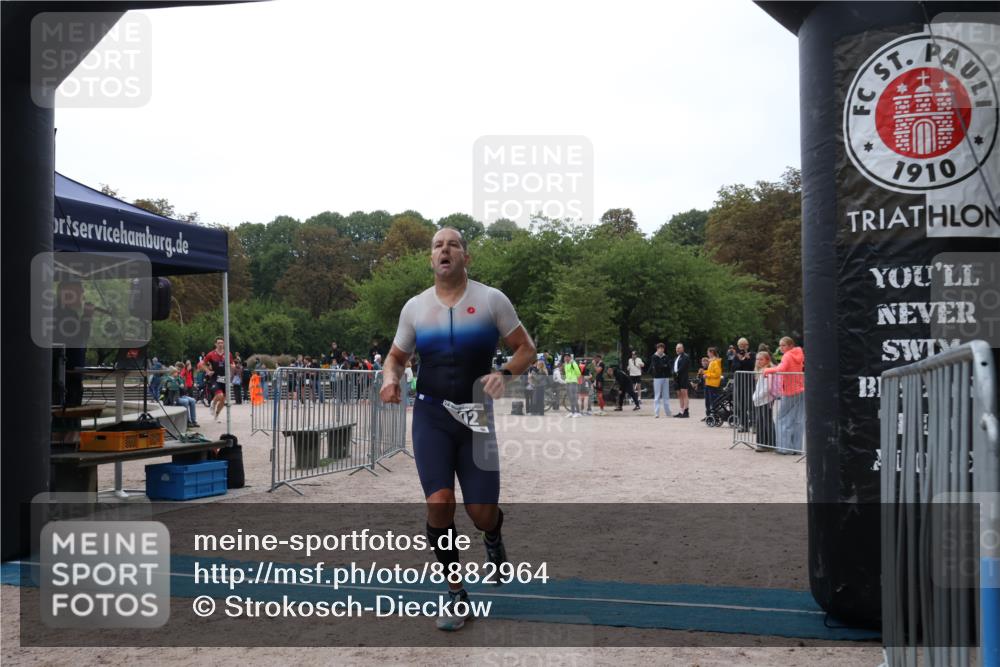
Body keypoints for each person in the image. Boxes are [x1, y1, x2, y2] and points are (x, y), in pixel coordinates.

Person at [379, 227, 535, 631]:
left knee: (481, 513)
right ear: (431, 259)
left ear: (466, 257)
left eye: (452, 245)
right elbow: (395, 357)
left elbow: (526, 349)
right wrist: (389, 378)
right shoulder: (415, 307)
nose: (444, 250)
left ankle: (493, 537)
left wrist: (504, 372)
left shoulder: (490, 300)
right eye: (437, 245)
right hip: (431, 416)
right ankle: (454, 593)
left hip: (475, 417)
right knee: (440, 502)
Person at [763, 336, 805, 455]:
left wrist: (767, 371)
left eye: (783, 345)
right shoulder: (799, 354)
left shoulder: (787, 355)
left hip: (790, 391)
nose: (781, 347)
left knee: (781, 419)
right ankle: (796, 448)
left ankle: (784, 448)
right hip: (800, 389)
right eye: (780, 345)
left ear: (790, 346)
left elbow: (781, 368)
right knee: (797, 420)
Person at [200, 337, 235, 423]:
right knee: (219, 395)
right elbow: (202, 364)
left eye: (222, 343)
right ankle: (213, 403)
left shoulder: (228, 354)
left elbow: (232, 364)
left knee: (223, 400)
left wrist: (232, 368)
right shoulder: (211, 354)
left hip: (225, 378)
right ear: (215, 344)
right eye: (219, 343)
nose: (220, 344)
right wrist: (208, 371)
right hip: (215, 377)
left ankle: (217, 414)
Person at [752, 351, 777, 451]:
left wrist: (756, 397)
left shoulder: (768, 371)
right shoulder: (760, 370)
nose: (758, 361)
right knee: (760, 421)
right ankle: (762, 443)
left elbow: (767, 387)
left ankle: (771, 444)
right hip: (760, 400)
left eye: (761, 359)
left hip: (766, 400)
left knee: (767, 421)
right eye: (757, 359)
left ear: (767, 360)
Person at [165, 364, 199, 428]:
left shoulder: (179, 378)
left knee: (193, 400)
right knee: (185, 401)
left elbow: (184, 389)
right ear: (172, 372)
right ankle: (188, 421)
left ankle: (193, 420)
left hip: (181, 395)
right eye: (177, 370)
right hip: (174, 398)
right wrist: (179, 385)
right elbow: (170, 387)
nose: (178, 372)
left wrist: (183, 385)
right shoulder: (169, 379)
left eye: (179, 370)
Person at [732, 338, 756, 431]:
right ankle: (743, 424)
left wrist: (747, 359)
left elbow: (752, 366)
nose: (742, 347)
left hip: (749, 382)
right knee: (740, 404)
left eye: (744, 345)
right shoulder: (736, 356)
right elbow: (734, 368)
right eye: (740, 345)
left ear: (747, 345)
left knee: (751, 403)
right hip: (739, 382)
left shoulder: (752, 355)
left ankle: (754, 424)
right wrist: (741, 360)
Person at [649, 342, 672, 418]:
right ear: (657, 349)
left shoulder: (666, 356)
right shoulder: (654, 357)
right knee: (657, 395)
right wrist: (663, 366)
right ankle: (656, 413)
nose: (661, 350)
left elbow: (669, 366)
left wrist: (663, 366)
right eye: (660, 348)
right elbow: (656, 366)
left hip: (665, 377)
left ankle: (668, 412)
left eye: (662, 348)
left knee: (666, 395)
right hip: (657, 378)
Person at [703, 347, 722, 422]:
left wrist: (707, 375)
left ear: (711, 353)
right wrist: (704, 372)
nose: (707, 354)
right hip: (709, 383)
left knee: (712, 401)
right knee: (708, 401)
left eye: (708, 352)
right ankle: (709, 416)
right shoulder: (711, 361)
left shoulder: (716, 362)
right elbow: (711, 372)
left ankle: (714, 416)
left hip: (713, 384)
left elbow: (717, 374)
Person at [672, 343, 691, 418]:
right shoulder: (676, 357)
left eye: (679, 348)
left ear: (682, 348)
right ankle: (681, 411)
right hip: (677, 378)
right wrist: (673, 372)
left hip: (683, 377)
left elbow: (682, 367)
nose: (677, 349)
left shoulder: (685, 357)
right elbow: (673, 367)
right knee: (679, 395)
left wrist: (677, 372)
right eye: (676, 348)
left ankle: (686, 411)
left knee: (684, 394)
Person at [561, 354, 582, 418]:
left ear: (570, 358)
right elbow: (566, 373)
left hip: (573, 382)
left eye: (567, 357)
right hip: (567, 382)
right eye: (565, 357)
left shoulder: (573, 363)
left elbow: (578, 373)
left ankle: (578, 412)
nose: (566, 358)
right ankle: (572, 412)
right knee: (570, 398)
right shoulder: (565, 364)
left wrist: (573, 378)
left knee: (574, 398)